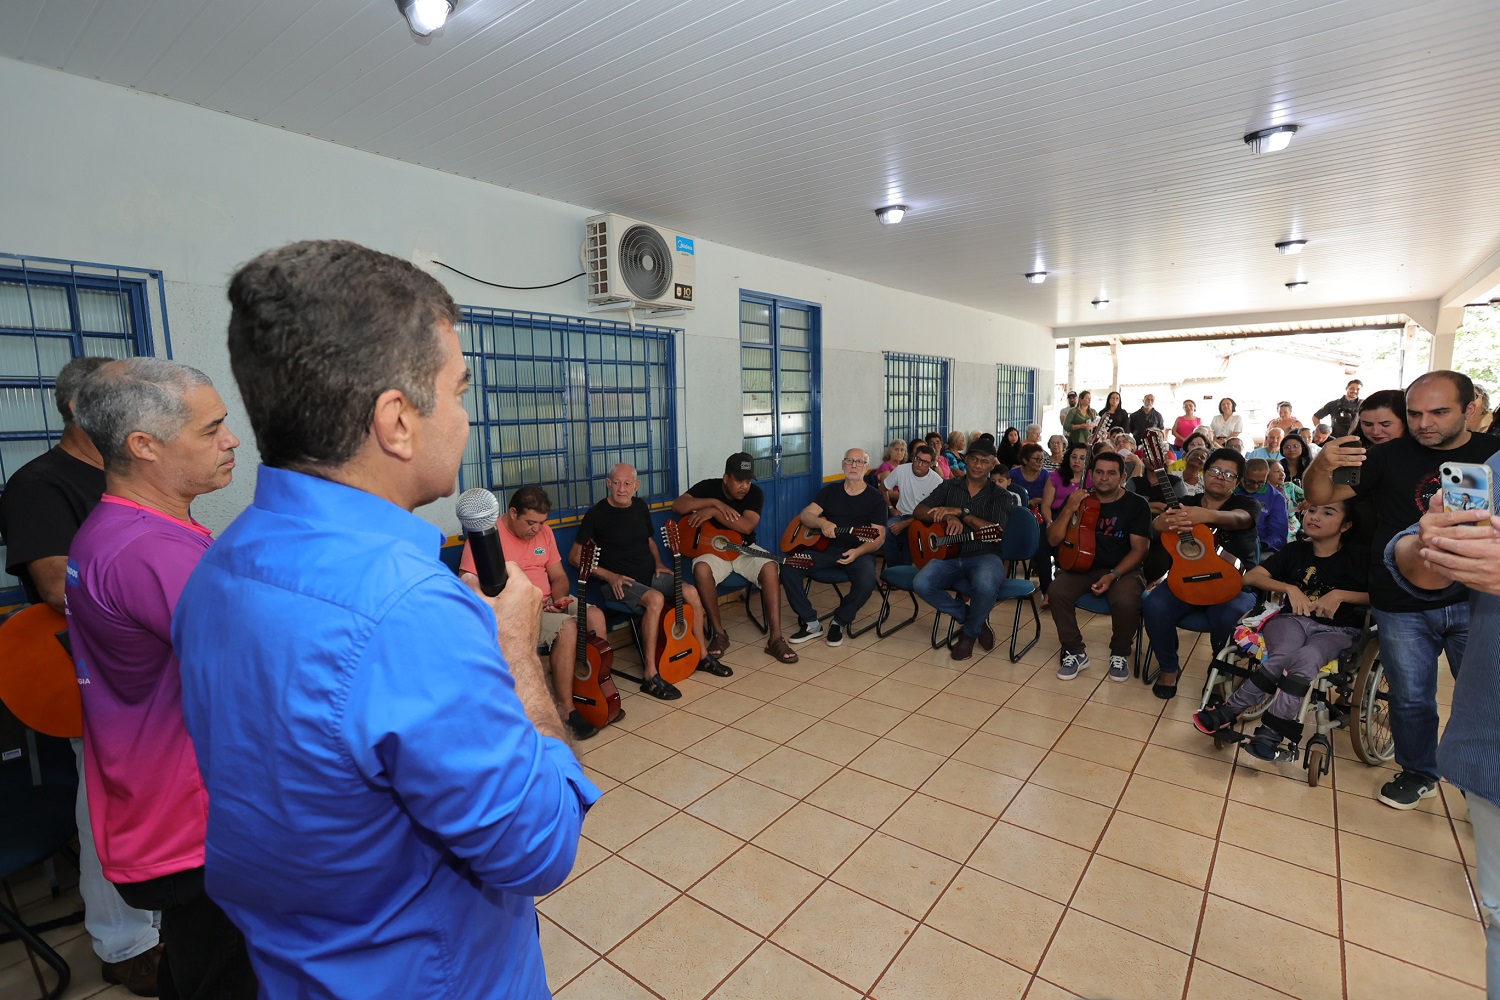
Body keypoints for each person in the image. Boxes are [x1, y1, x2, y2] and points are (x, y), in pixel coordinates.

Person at [174, 240, 598, 998]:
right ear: (397, 420)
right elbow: (540, 847)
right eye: (459, 390)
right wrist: (514, 652)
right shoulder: (406, 610)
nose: (466, 418)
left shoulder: (221, 563)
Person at [68, 358, 256, 999]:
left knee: (197, 966)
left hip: (157, 807)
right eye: (211, 429)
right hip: (194, 823)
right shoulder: (152, 551)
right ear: (143, 445)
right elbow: (264, 674)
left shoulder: (119, 530)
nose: (231, 440)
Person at [0, 356, 163, 996]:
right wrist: (158, 592)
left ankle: (164, 913)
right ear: (79, 410)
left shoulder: (136, 472)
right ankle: (125, 942)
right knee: (110, 801)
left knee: (159, 799)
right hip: (96, 674)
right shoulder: (39, 483)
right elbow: (52, 584)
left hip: (156, 667)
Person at [1306, 369, 1495, 809]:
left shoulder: (1494, 454)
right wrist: (1322, 461)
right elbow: (1323, 493)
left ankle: (1481, 782)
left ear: (1469, 410)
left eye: (1439, 412)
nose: (1425, 423)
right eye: (1414, 413)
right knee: (1411, 697)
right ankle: (1418, 771)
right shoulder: (1385, 458)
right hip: (1401, 598)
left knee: (1486, 698)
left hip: (1478, 600)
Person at [1388, 445, 1500, 985]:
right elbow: (1413, 562)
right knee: (1498, 919)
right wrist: (1425, 547)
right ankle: (1419, 768)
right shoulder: (1494, 469)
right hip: (1491, 744)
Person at [1193, 498, 1370, 757]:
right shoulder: (1296, 551)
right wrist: (1290, 588)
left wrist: (1340, 595)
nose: (1314, 516)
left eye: (1327, 512)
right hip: (1291, 621)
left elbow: (1380, 596)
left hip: (1339, 630)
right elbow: (1251, 576)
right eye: (1311, 510)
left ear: (1346, 525)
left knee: (1307, 657)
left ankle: (1271, 730)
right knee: (1284, 654)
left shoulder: (1359, 558)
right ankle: (1233, 710)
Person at [459, 486, 611, 739]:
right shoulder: (486, 538)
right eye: (530, 522)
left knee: (595, 616)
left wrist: (559, 596)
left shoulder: (544, 533)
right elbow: (468, 588)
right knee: (567, 627)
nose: (536, 529)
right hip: (515, 611)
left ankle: (594, 690)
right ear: (513, 513)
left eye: (541, 523)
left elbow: (559, 576)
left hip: (550, 600)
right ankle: (566, 710)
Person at [572, 463, 730, 700]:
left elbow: (649, 541)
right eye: (616, 483)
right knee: (655, 599)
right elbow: (575, 557)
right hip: (618, 584)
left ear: (636, 486)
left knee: (690, 591)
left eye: (627, 484)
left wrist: (657, 562)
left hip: (650, 576)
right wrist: (609, 576)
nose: (621, 489)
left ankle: (702, 655)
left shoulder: (640, 507)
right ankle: (650, 674)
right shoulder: (596, 515)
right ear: (608, 484)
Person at [1140, 448, 1261, 699]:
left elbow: (1240, 519)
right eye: (1215, 471)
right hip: (1187, 579)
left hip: (1234, 585)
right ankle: (1169, 667)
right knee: (1154, 605)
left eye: (1229, 475)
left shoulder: (1246, 504)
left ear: (1237, 482)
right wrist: (1160, 523)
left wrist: (1205, 516)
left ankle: (1221, 674)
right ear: (1205, 473)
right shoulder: (1187, 503)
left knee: (1226, 613)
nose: (1220, 477)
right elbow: (1158, 526)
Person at [672, 453, 799, 665]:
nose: (744, 486)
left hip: (743, 549)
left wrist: (713, 512)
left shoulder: (755, 494)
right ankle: (719, 634)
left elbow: (746, 526)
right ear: (726, 478)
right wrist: (713, 501)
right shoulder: (708, 487)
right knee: (701, 569)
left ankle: (776, 639)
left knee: (769, 566)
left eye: (748, 481)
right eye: (739, 481)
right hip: (712, 553)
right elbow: (679, 506)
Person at [1046, 451, 1152, 682]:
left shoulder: (1136, 505)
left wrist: (1114, 575)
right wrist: (1068, 508)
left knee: (1125, 600)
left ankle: (1120, 652)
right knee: (1057, 591)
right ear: (1091, 474)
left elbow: (1140, 550)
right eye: (1099, 472)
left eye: (1111, 473)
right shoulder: (1078, 498)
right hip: (1082, 566)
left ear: (1123, 476)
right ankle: (1074, 651)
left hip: (1123, 569)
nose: (1104, 478)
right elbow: (1053, 539)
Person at [911, 440, 1015, 660]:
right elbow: (919, 510)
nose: (978, 465)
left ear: (992, 465)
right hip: (949, 554)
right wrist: (945, 516)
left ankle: (968, 635)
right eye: (974, 459)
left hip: (985, 554)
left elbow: (995, 531)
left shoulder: (1000, 496)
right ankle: (970, 617)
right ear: (966, 460)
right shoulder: (949, 486)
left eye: (984, 462)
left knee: (986, 585)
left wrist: (961, 512)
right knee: (921, 583)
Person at [779, 448, 887, 646]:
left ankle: (839, 621)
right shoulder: (830, 491)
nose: (853, 465)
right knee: (789, 566)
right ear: (842, 464)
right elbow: (805, 515)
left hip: (858, 552)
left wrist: (858, 552)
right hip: (824, 550)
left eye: (859, 462)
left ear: (867, 467)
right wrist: (821, 523)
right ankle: (811, 622)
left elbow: (878, 538)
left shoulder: (876, 499)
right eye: (849, 461)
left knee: (867, 580)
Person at [1039, 443, 1092, 604]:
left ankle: (1067, 585)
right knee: (1043, 546)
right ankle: (1047, 590)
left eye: (1082, 458)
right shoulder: (1056, 477)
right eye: (1074, 457)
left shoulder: (1092, 479)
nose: (1077, 461)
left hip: (1080, 521)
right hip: (1055, 517)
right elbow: (1046, 505)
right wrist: (1049, 522)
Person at [881, 443, 945, 565]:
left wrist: (905, 524)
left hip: (923, 520)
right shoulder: (901, 470)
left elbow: (933, 512)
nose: (920, 464)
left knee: (913, 535)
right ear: (913, 457)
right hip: (901, 515)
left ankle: (904, 571)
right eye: (918, 459)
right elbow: (883, 489)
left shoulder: (936, 481)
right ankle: (893, 570)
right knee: (887, 530)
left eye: (925, 462)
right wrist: (890, 508)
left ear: (931, 464)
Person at [1237, 458, 1289, 556]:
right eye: (1250, 482)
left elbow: (1279, 534)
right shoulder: (1231, 490)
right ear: (1242, 476)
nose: (1256, 486)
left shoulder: (1276, 497)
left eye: (1261, 482)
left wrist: (1262, 544)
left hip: (1261, 547)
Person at [1268, 461, 1304, 542]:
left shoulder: (1289, 487)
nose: (1282, 474)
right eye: (1277, 471)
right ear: (1266, 473)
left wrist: (1308, 501)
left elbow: (1311, 498)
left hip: (1289, 525)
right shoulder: (1262, 491)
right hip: (1270, 524)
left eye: (1283, 471)